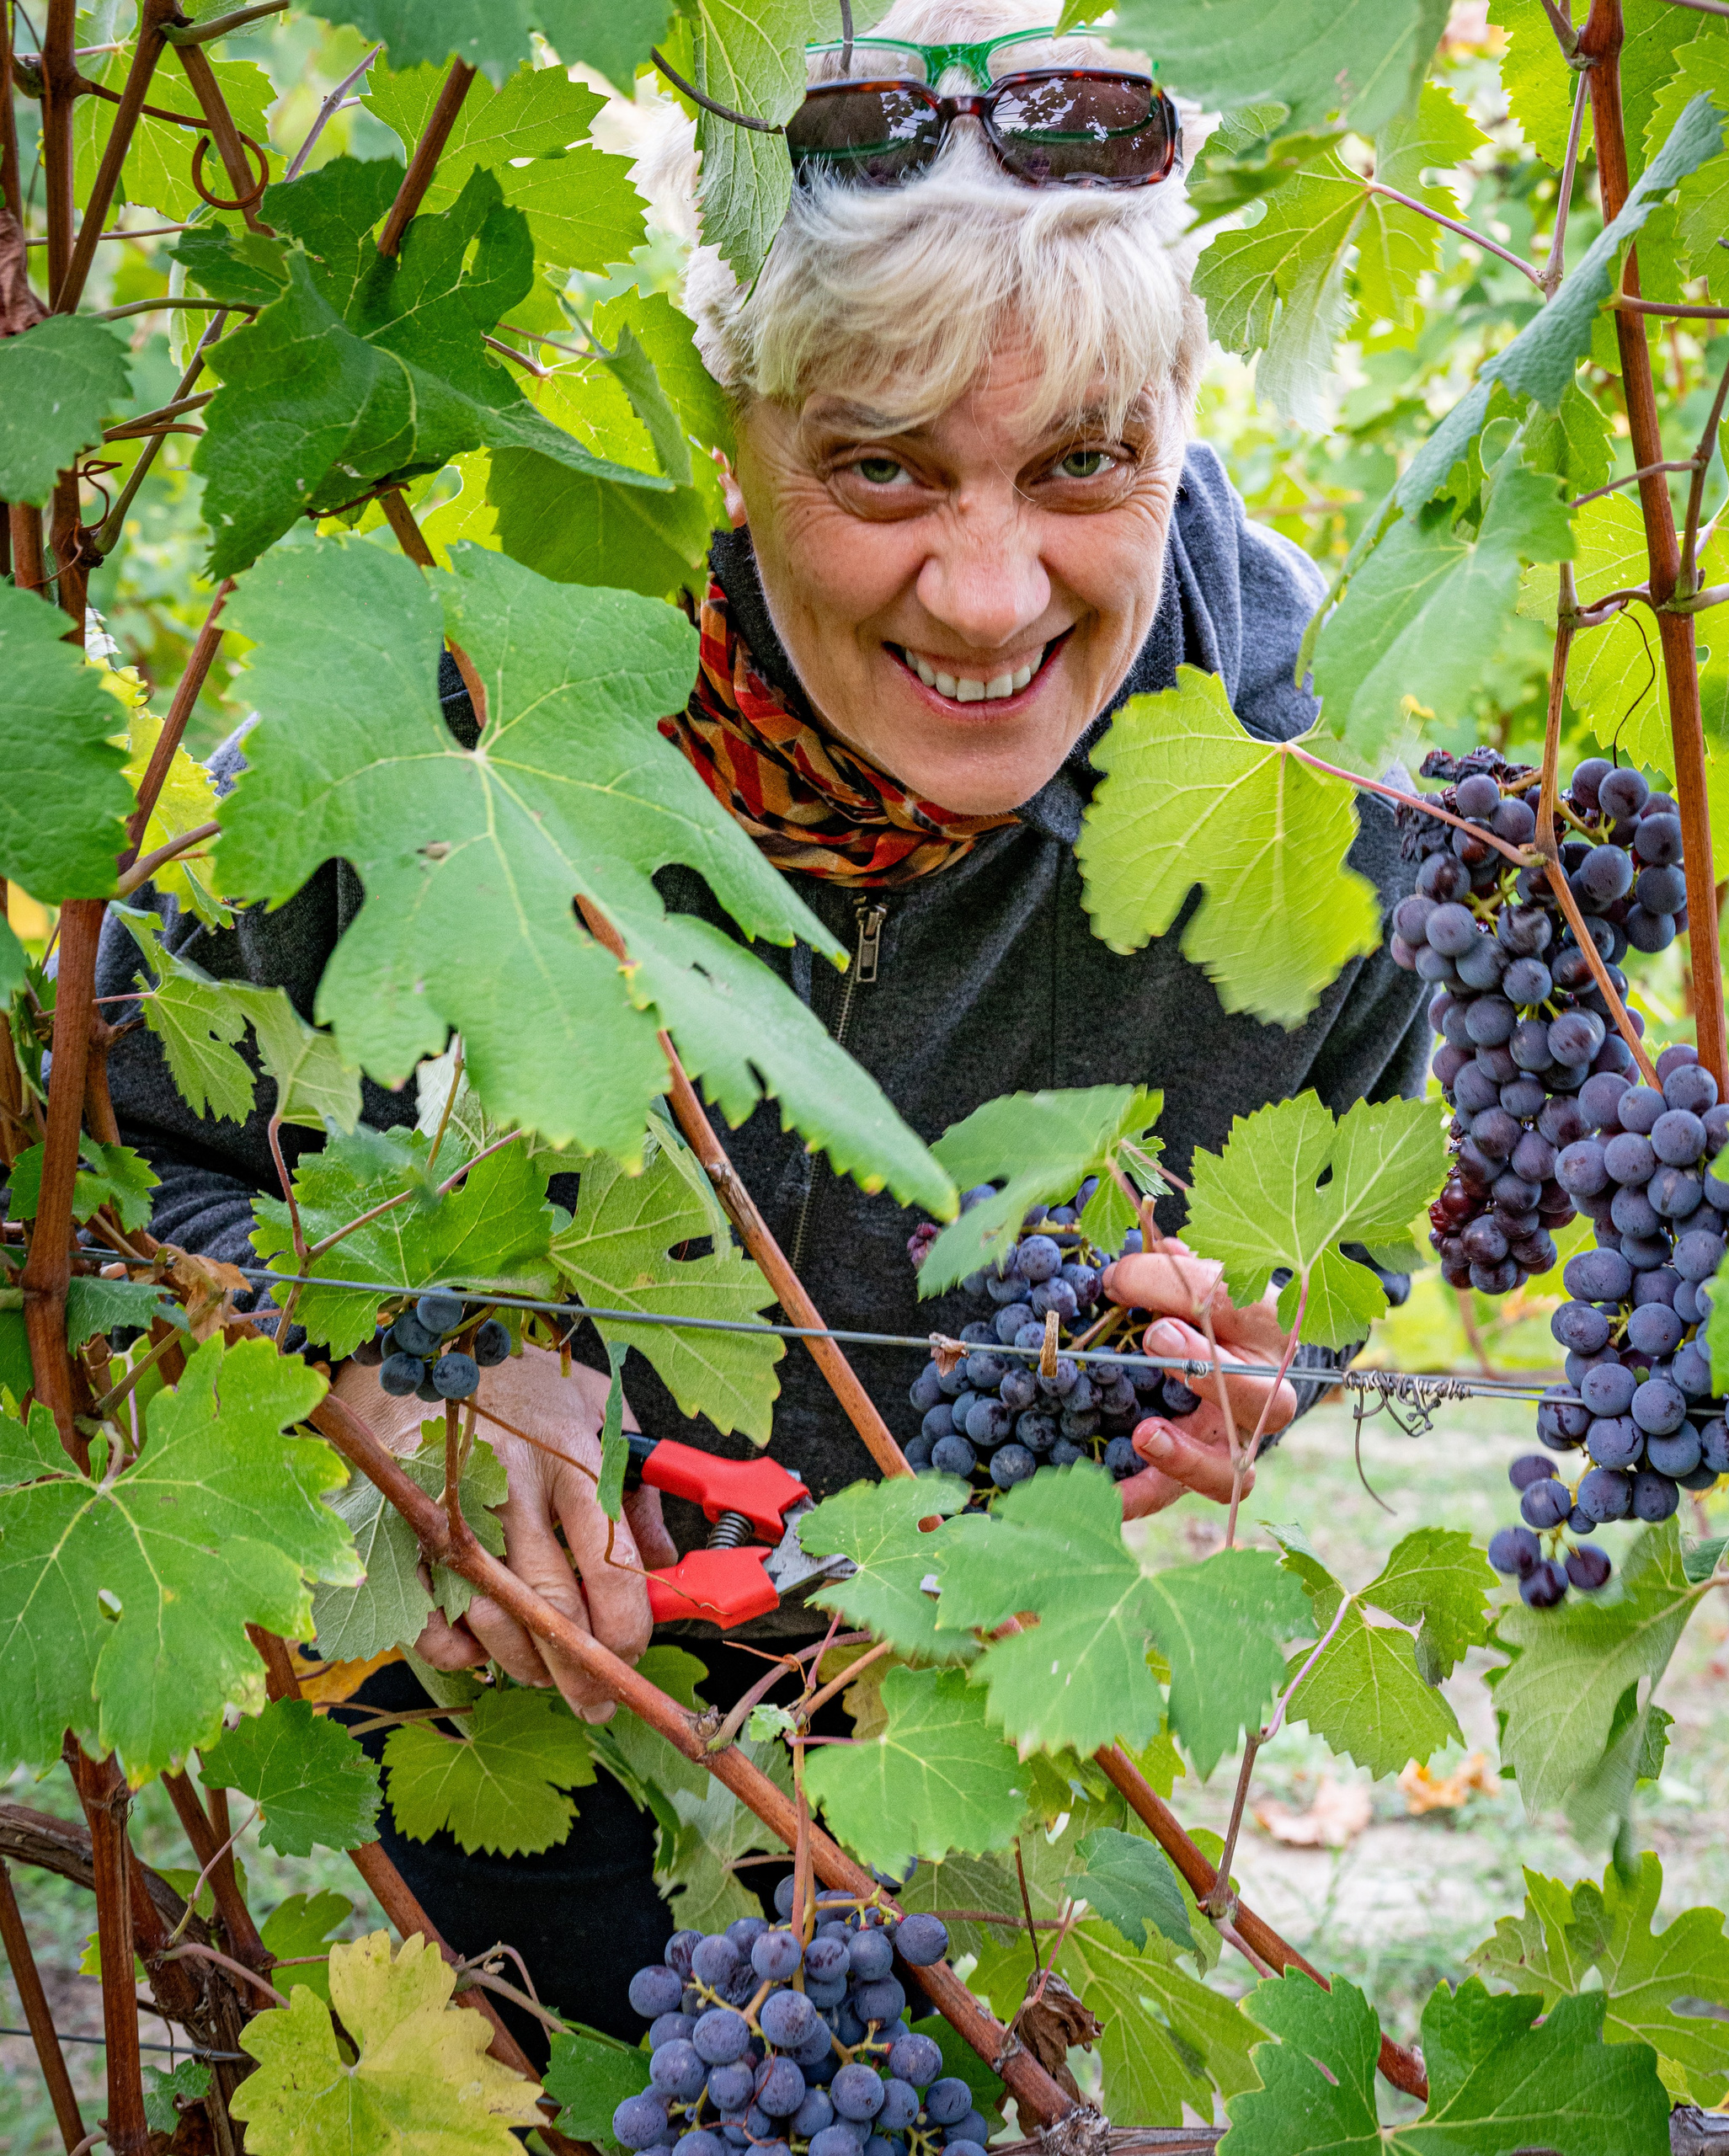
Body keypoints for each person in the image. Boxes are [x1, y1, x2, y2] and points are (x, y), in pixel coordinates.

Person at [101, 0, 1428, 2050]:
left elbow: (1353, 1207)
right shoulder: (452, 737)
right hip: (431, 1777)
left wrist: (1255, 1355)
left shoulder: (1327, 811)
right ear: (731, 435)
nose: (986, 595)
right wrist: (377, 1383)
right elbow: (101, 1186)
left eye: (1085, 466)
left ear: (1176, 431)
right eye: (877, 470)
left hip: (949, 1779)